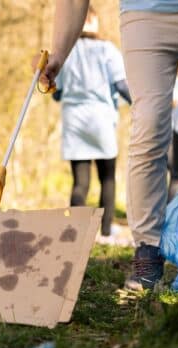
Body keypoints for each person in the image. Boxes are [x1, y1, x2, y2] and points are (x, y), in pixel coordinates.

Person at [41, 0, 178, 290]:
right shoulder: (101, 50)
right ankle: (148, 250)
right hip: (147, 15)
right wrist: (58, 52)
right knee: (149, 127)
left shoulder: (103, 51)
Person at [52, 6, 131, 241]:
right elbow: (122, 85)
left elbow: (57, 93)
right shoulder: (107, 50)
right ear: (94, 22)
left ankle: (74, 233)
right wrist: (142, 105)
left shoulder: (67, 54)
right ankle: (106, 232)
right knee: (107, 177)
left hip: (74, 120)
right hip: (101, 120)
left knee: (80, 181)